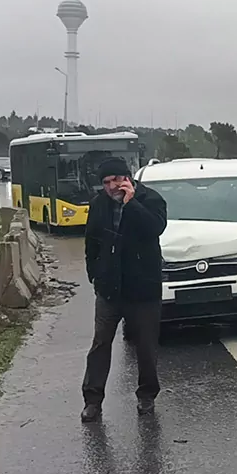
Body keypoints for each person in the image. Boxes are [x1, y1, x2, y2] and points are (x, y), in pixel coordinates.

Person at [81, 157, 168, 423]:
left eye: (115, 180)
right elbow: (91, 241)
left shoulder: (151, 200)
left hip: (143, 289)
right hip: (109, 289)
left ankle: (146, 395)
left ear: (127, 178)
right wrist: (94, 274)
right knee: (100, 344)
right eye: (105, 182)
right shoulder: (99, 204)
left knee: (145, 346)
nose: (110, 186)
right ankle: (92, 400)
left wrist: (132, 204)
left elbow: (156, 228)